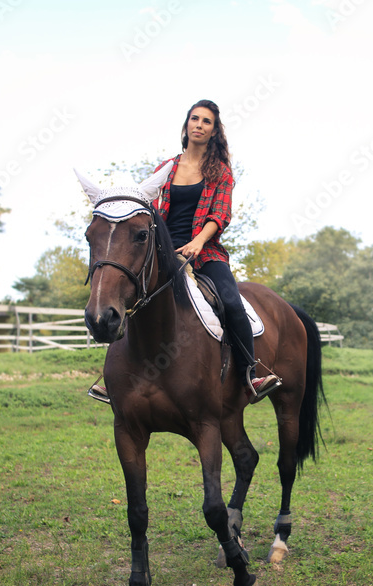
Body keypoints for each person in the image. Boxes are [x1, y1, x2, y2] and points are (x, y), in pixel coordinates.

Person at [89, 100, 280, 404]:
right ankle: (113, 378)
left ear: (214, 131)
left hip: (204, 251)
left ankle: (250, 373)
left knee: (231, 301)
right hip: (161, 252)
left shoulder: (221, 172)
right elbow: (146, 211)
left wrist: (198, 242)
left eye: (206, 121)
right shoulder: (166, 168)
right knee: (127, 295)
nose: (199, 125)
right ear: (186, 125)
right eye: (195, 119)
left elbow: (220, 214)